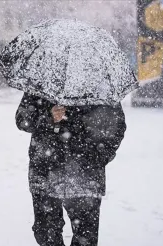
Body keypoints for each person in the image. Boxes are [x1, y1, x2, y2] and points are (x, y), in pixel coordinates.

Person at [16, 93, 126, 246]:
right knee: (46, 232)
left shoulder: (100, 85)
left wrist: (98, 157)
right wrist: (49, 116)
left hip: (86, 174)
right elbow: (22, 120)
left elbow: (117, 126)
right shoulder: (43, 80)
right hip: (45, 171)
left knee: (86, 237)